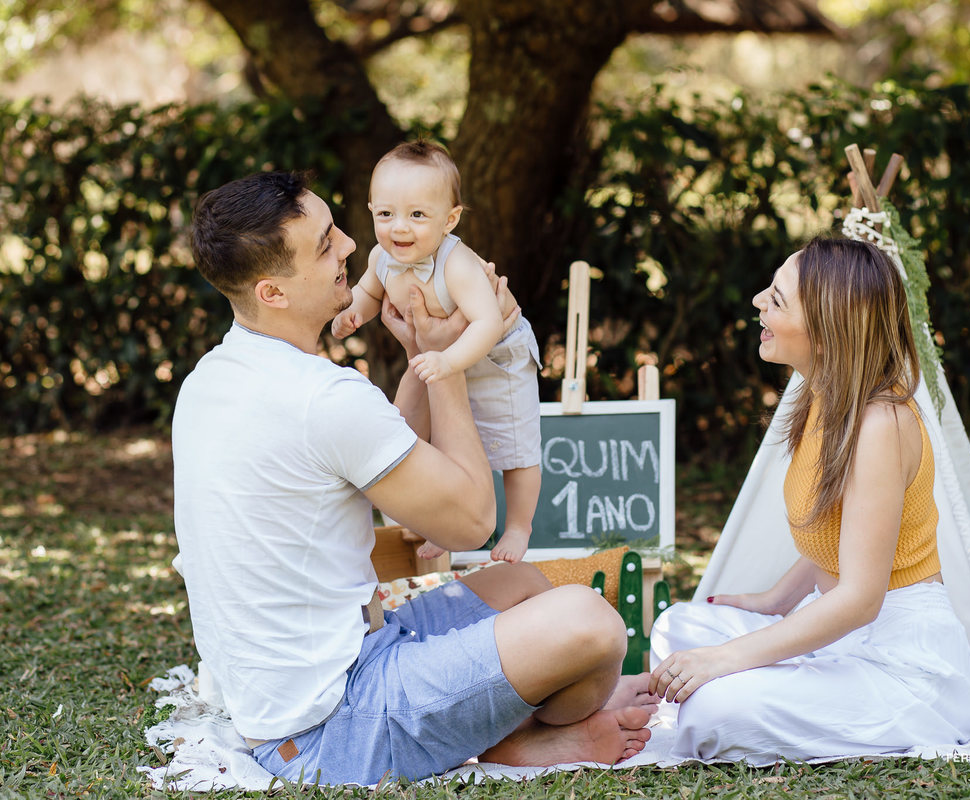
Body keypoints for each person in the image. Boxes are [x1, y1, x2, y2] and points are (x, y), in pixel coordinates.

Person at [173, 171, 654, 785]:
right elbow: (476, 520)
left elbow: (379, 454)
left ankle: (493, 729)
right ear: (273, 291)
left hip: (344, 657)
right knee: (590, 622)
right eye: (325, 244)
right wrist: (452, 361)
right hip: (331, 726)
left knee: (521, 581)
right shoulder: (322, 397)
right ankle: (518, 742)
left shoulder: (214, 376)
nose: (351, 245)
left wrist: (423, 352)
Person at [648, 237, 970, 763]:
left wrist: (727, 658)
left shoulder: (880, 423)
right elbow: (841, 530)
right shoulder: (822, 396)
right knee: (679, 628)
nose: (759, 300)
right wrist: (774, 603)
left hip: (902, 661)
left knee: (714, 710)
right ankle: (768, 678)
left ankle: (751, 690)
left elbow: (860, 599)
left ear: (827, 335)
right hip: (838, 633)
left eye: (777, 300)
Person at [331, 141, 541, 564]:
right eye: (386, 214)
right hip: (444, 355)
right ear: (371, 209)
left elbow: (486, 322)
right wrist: (352, 313)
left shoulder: (457, 264)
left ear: (450, 220)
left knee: (515, 443)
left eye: (417, 215)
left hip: (498, 355)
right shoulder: (381, 257)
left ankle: (519, 525)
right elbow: (368, 292)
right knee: (447, 444)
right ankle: (447, 525)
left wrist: (448, 361)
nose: (399, 228)